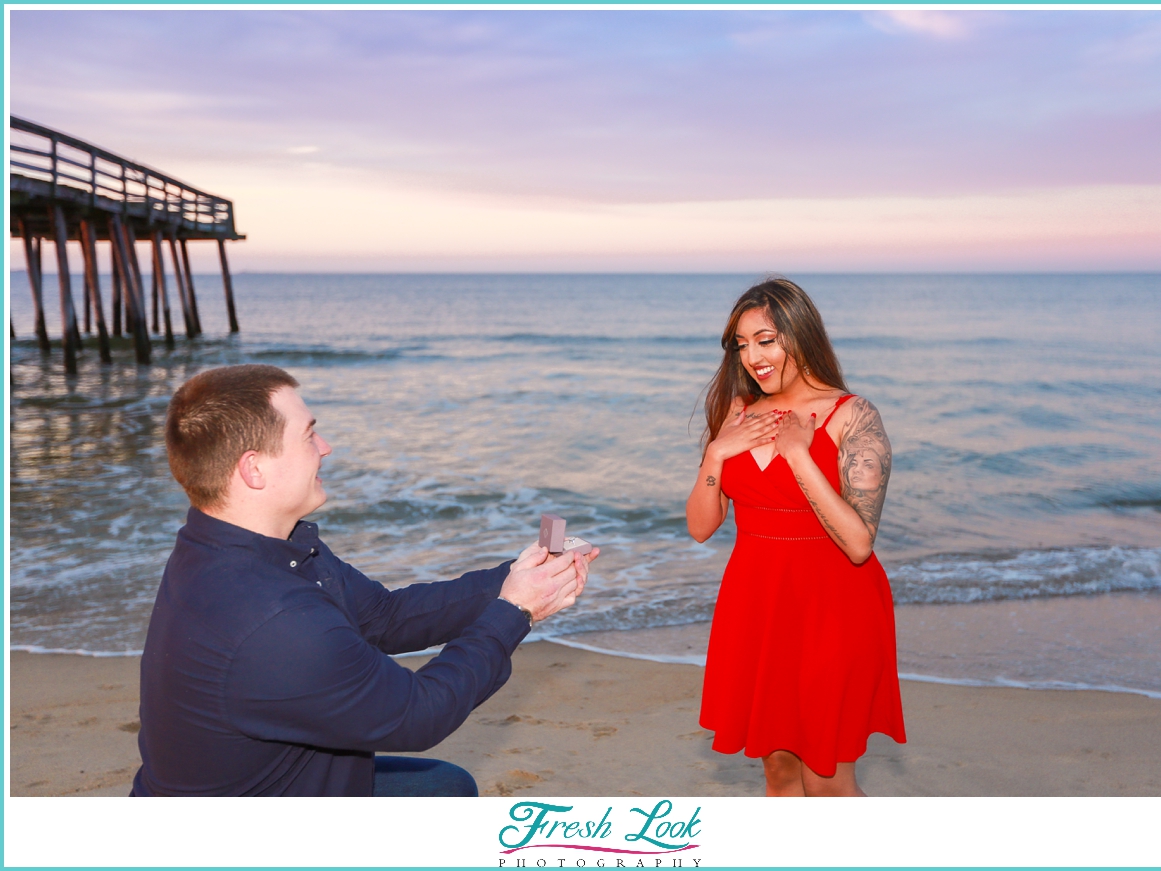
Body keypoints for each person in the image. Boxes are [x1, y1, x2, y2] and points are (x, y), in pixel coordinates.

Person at [132, 364, 598, 796]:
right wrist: (515, 611)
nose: (326, 446)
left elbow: (384, 616)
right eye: (309, 435)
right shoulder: (272, 619)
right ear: (254, 468)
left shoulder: (251, 546)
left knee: (444, 788)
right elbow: (417, 714)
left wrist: (513, 579)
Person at [685, 277, 906, 797]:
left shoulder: (853, 415)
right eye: (741, 344)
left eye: (766, 340)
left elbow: (858, 543)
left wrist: (799, 455)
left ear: (800, 334)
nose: (752, 357)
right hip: (756, 605)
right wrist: (717, 452)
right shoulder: (737, 413)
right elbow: (700, 527)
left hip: (834, 607)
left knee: (826, 778)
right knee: (778, 772)